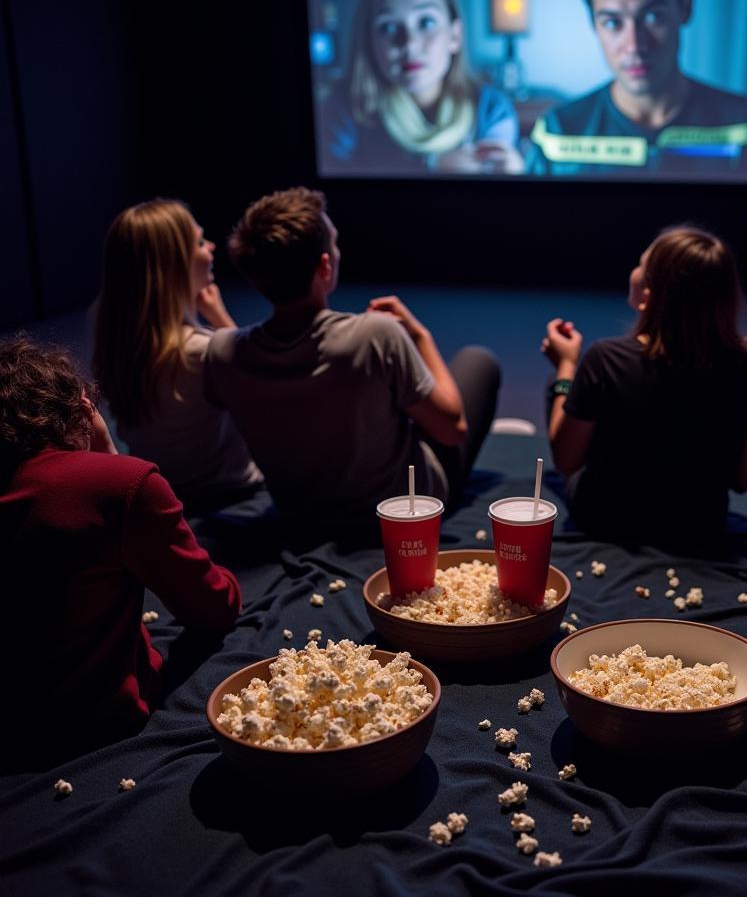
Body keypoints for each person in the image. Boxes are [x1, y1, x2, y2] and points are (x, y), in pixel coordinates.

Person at [203, 186, 500, 535]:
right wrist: (420, 336)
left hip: (300, 516)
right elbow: (452, 430)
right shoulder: (375, 335)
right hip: (399, 512)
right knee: (478, 361)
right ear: (325, 266)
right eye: (335, 242)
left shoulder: (221, 351)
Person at [0, 337, 242, 760]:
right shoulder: (118, 487)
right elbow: (213, 606)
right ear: (82, 410)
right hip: (91, 725)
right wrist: (112, 461)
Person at [541, 225, 747, 548]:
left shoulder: (605, 360)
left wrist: (566, 366)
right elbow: (743, 480)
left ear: (648, 297)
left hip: (606, 520)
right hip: (700, 528)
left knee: (561, 386)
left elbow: (565, 462)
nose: (634, 270)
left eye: (641, 266)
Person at [527, 0, 747, 180]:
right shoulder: (558, 134)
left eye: (653, 16)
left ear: (685, 8)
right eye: (613, 23)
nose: (634, 45)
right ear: (593, 24)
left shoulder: (746, 127)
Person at [93, 199, 262, 505]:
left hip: (160, 500)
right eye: (199, 241)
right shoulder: (204, 352)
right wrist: (221, 320)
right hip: (233, 500)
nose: (210, 247)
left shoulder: (121, 345)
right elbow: (264, 386)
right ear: (175, 263)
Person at [321, 0, 523, 176]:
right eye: (388, 27)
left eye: (426, 22)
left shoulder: (492, 110)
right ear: (369, 41)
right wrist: (431, 168)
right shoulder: (342, 111)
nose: (409, 43)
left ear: (454, 35)